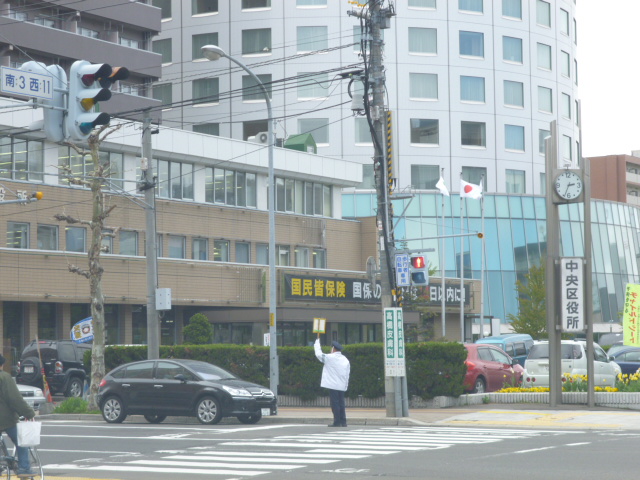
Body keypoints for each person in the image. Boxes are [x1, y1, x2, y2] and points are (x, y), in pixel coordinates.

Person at [0, 354, 36, 477]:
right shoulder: (4, 377)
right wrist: (28, 413)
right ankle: (24, 469)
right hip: (5, 419)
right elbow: (14, 399)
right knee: (21, 440)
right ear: (2, 364)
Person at [314, 338, 350, 427]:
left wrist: (317, 344)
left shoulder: (330, 358)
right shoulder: (345, 359)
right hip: (342, 385)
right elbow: (347, 373)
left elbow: (319, 355)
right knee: (341, 403)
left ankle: (337, 422)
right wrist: (346, 385)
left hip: (333, 385)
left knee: (335, 404)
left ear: (333, 349)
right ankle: (343, 421)